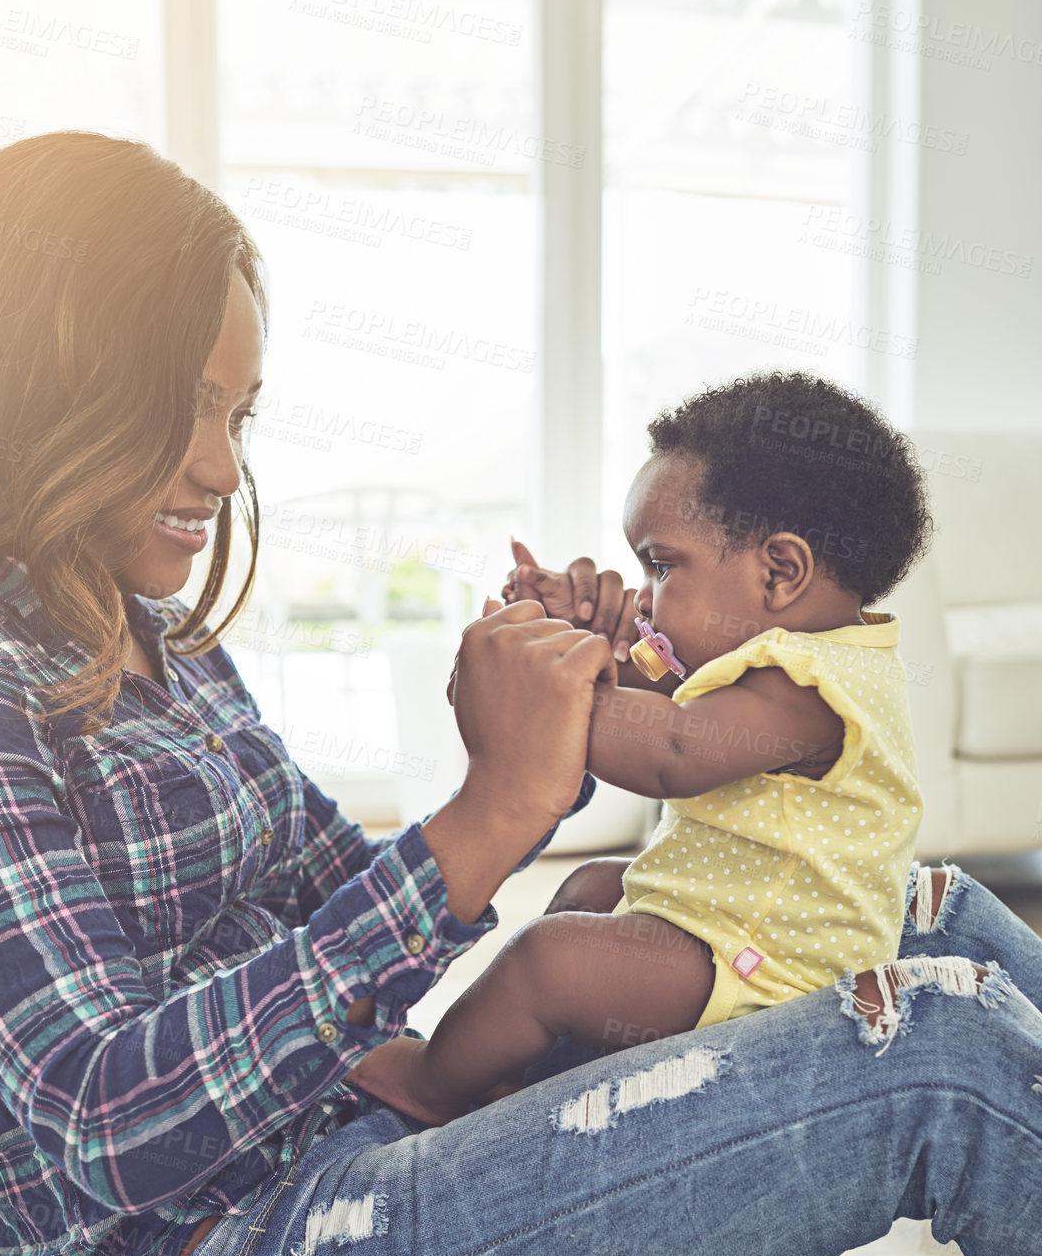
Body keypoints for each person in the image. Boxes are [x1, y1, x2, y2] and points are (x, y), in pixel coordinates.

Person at [0, 134, 1042, 1256]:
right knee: (934, 1049)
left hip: (373, 1152)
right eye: (184, 407)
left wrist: (543, 725)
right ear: (47, 375)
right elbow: (106, 1121)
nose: (219, 468)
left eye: (238, 417)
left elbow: (330, 897)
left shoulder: (148, 632)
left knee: (896, 909)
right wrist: (487, 812)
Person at [342, 376, 930, 1125]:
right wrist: (573, 634)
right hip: (724, 932)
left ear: (780, 572)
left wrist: (542, 690)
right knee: (593, 887)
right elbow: (654, 691)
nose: (647, 596)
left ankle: (431, 1082)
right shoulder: (773, 655)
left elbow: (672, 750)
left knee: (551, 959)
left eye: (664, 564)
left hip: (770, 977)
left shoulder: (814, 686)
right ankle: (523, 1067)